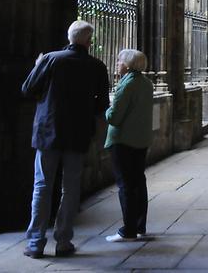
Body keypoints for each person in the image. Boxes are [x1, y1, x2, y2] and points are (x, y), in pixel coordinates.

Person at [21, 20, 109, 258]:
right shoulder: (97, 66)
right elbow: (102, 105)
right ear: (89, 41)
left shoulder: (50, 59)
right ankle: (63, 241)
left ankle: (36, 243)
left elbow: (27, 89)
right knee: (70, 189)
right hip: (78, 133)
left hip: (48, 132)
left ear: (69, 37)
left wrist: (37, 65)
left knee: (42, 186)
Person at [104, 49, 154, 243]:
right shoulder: (147, 83)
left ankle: (129, 229)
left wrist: (106, 110)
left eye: (119, 61)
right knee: (138, 182)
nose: (117, 63)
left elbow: (114, 117)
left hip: (123, 141)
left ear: (127, 64)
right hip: (141, 140)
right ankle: (140, 226)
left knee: (125, 185)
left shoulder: (127, 85)